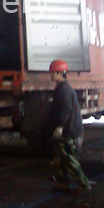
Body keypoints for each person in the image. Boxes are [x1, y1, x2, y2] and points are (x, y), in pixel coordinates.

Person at [47, 59, 91, 192]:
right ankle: (64, 182)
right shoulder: (61, 88)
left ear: (60, 73)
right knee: (60, 158)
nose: (51, 75)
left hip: (69, 131)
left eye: (53, 73)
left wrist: (60, 126)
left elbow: (66, 109)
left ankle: (84, 185)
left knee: (68, 158)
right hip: (66, 130)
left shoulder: (64, 90)